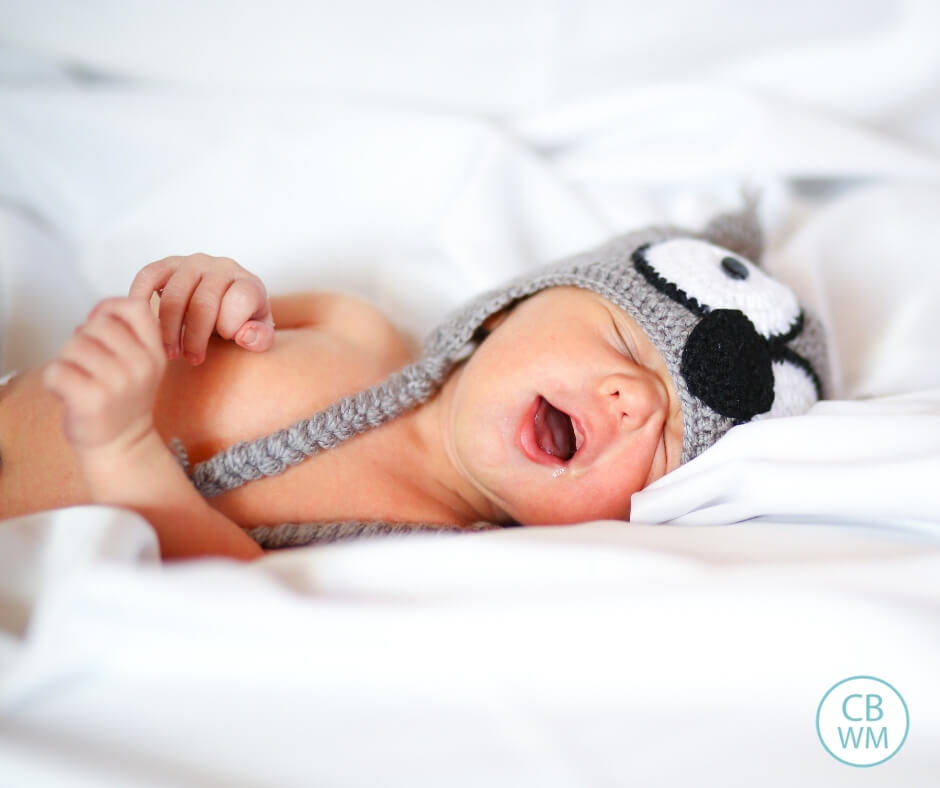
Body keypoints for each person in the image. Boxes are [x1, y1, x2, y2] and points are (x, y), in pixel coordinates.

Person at [0, 207, 830, 560]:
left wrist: (120, 450)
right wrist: (199, 287)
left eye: (667, 448)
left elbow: (226, 584)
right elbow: (183, 316)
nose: (636, 402)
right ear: (509, 310)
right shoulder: (352, 327)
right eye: (622, 340)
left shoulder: (428, 548)